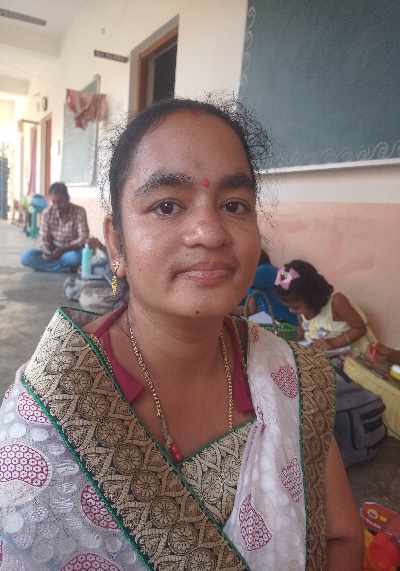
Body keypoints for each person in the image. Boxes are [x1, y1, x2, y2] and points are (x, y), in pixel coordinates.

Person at [0, 99, 362, 570]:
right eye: (167, 205)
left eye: (234, 205)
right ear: (116, 243)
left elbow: (340, 538)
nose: (210, 232)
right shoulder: (43, 421)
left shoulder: (290, 379)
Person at [273, 259, 373, 355]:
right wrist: (288, 335)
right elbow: (304, 331)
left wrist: (333, 342)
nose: (291, 311)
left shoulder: (337, 303)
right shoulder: (302, 312)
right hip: (331, 359)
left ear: (312, 296)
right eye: (288, 307)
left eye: (295, 307)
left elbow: (360, 329)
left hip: (360, 356)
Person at [20, 182, 89, 272]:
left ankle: (49, 267)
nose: (56, 206)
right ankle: (64, 268)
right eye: (53, 202)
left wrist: (63, 250)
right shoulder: (47, 213)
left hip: (71, 251)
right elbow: (44, 238)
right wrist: (48, 252)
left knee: (76, 258)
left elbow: (83, 238)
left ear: (67, 198)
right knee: (26, 257)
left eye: (60, 202)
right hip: (53, 252)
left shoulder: (79, 211)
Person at [245, 250, 298, 325]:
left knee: (247, 323)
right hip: (281, 320)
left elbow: (251, 311)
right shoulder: (272, 271)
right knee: (248, 321)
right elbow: (251, 310)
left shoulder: (264, 271)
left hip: (288, 323)